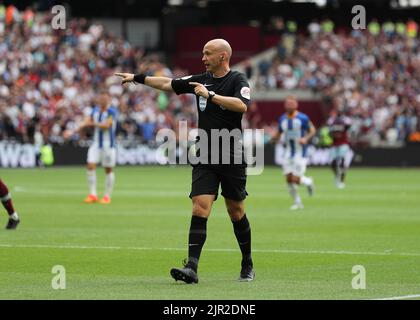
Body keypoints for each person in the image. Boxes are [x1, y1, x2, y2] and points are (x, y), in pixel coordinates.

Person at [116, 38, 255, 284]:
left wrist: (210, 95)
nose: (203, 58)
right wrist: (138, 78)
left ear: (223, 56)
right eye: (202, 53)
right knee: (200, 206)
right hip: (205, 154)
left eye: (207, 53)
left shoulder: (237, 80)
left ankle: (247, 263)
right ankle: (192, 267)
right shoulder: (200, 79)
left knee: (236, 211)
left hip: (231, 154)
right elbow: (169, 84)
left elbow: (241, 106)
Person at [67, 91, 118, 204]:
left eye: (105, 99)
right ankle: (93, 194)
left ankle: (106, 196)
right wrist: (72, 132)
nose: (102, 101)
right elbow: (85, 122)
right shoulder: (95, 111)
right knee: (90, 165)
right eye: (101, 99)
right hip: (96, 144)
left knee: (108, 169)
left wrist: (93, 123)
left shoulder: (112, 112)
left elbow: (107, 125)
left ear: (108, 100)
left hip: (108, 145)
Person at [271, 96, 316, 210]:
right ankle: (297, 202)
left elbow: (312, 130)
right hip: (288, 152)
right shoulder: (282, 119)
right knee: (288, 179)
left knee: (295, 178)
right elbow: (279, 132)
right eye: (288, 103)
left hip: (300, 153)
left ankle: (308, 181)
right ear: (285, 105)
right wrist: (273, 139)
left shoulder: (303, 118)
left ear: (296, 105)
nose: (290, 105)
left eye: (292, 103)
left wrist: (305, 138)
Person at [327, 108, 352, 189]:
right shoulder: (331, 121)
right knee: (333, 163)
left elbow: (349, 127)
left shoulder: (346, 121)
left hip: (343, 143)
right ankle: (337, 176)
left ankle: (342, 180)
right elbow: (329, 132)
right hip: (334, 144)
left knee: (342, 161)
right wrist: (333, 134)